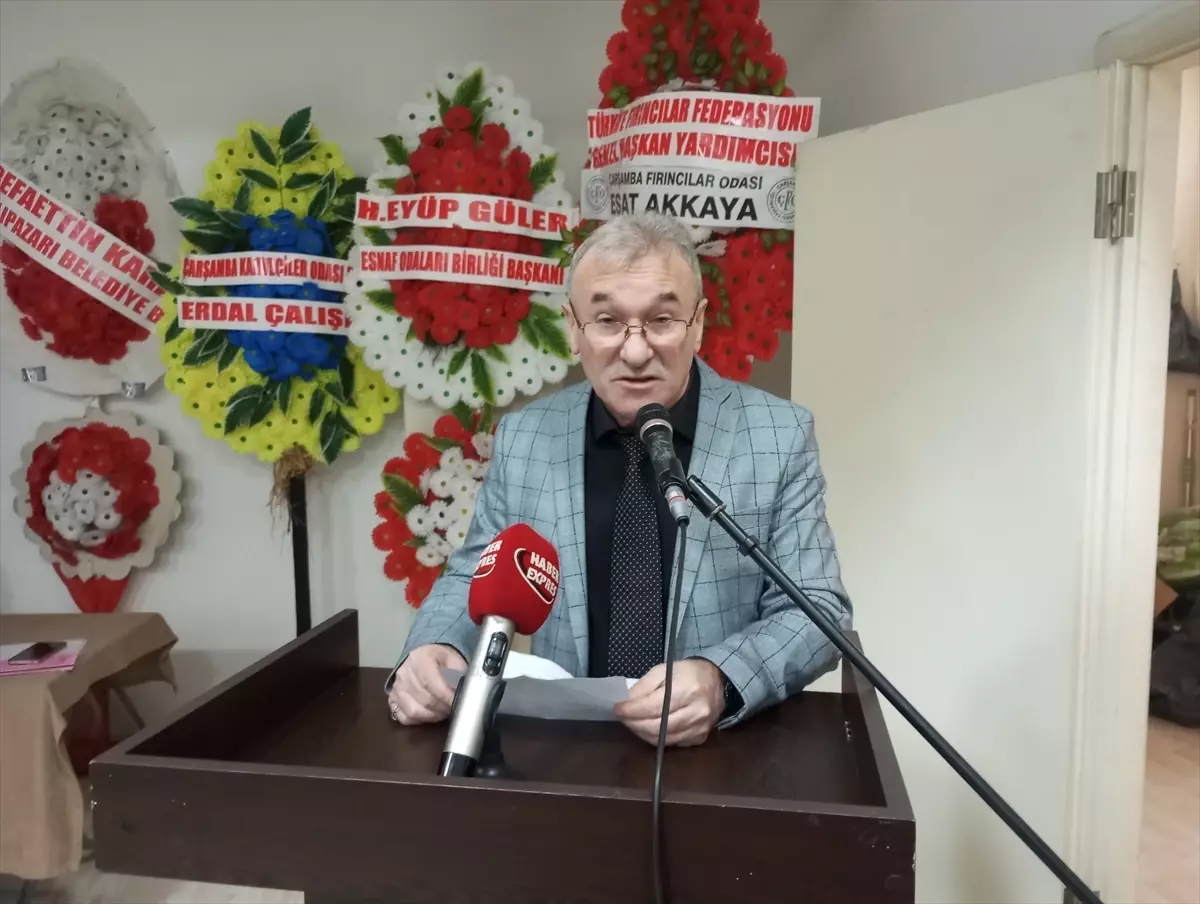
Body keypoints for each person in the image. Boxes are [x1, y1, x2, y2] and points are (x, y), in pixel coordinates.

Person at [386, 212, 852, 747]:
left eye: (662, 320)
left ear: (698, 323)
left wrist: (722, 679)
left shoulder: (778, 435)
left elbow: (817, 610)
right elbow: (473, 577)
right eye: (607, 321)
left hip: (718, 753)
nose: (635, 352)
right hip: (568, 750)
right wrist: (435, 648)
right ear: (573, 327)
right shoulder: (525, 437)